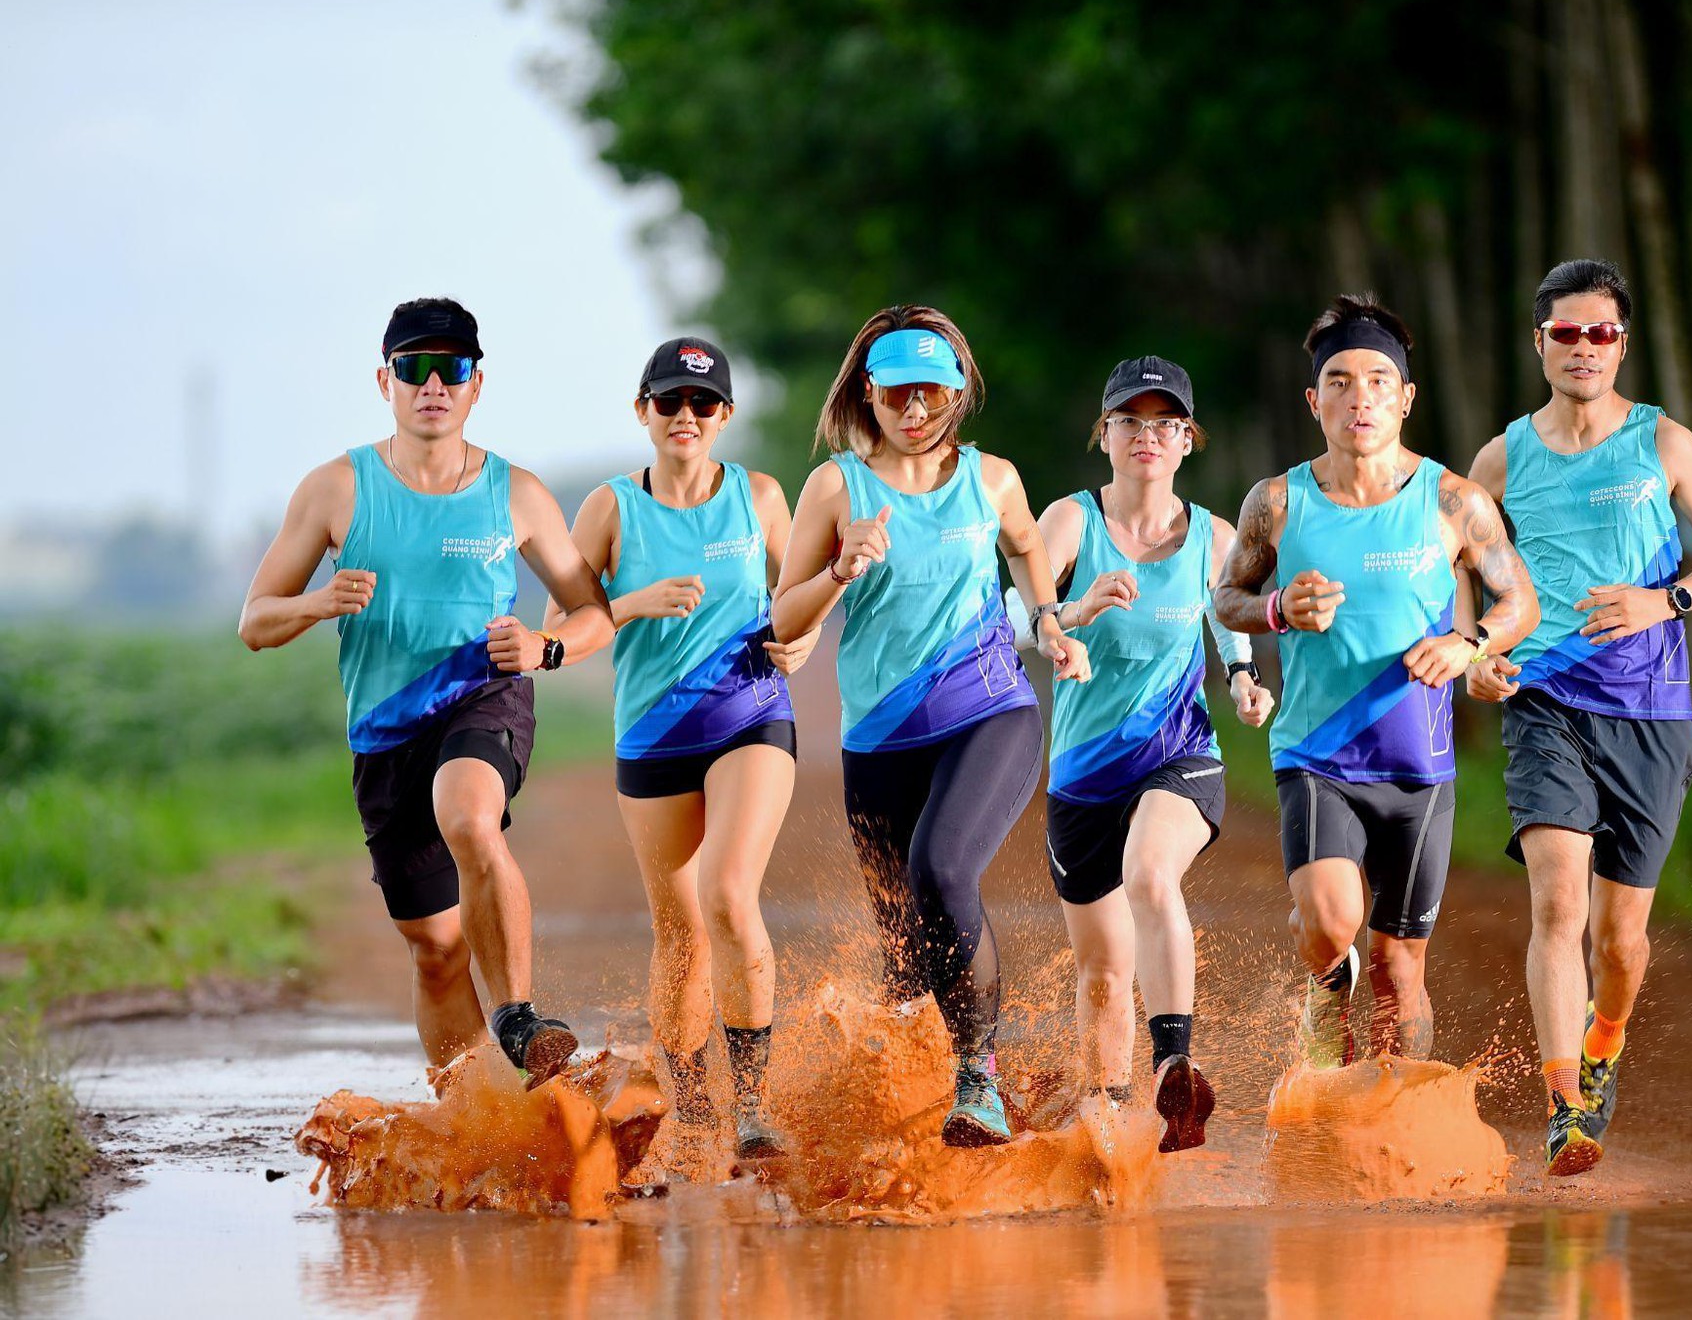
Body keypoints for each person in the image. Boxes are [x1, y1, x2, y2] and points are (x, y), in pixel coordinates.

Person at [239, 298, 613, 1082]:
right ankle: (477, 1120)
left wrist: (545, 647)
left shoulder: (518, 493)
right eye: (415, 367)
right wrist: (319, 601)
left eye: (454, 368)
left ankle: (517, 1017)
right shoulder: (336, 489)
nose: (434, 383)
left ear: (479, 384)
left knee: (470, 819)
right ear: (386, 381)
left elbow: (593, 614)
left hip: (482, 696)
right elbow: (255, 620)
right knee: (437, 950)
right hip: (383, 735)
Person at [770, 305, 1090, 1147]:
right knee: (906, 955)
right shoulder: (837, 487)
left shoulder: (992, 480)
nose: (915, 412)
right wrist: (841, 566)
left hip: (991, 710)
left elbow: (1026, 547)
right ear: (868, 395)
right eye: (898, 395)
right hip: (877, 742)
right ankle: (915, 1112)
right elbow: (785, 620)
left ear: (957, 395)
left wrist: (1047, 618)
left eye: (932, 395)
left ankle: (979, 1074)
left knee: (942, 867)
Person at [1464, 259, 1692, 1175]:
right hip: (1546, 703)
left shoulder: (1665, 443)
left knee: (1618, 940)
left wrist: (1665, 602)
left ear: (1622, 343)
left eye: (1600, 333)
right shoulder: (1501, 459)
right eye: (1565, 333)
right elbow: (1464, 581)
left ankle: (1604, 1039)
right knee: (1558, 904)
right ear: (1537, 341)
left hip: (1653, 714)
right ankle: (1564, 1107)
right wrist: (1479, 652)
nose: (1583, 348)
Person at [1214, 294, 1538, 1070]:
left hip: (1418, 768)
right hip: (1316, 753)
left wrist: (1469, 645)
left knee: (1399, 970)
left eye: (1378, 381)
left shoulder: (1454, 500)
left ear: (1406, 397)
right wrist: (1278, 609)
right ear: (1313, 399)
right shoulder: (1278, 501)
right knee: (1331, 922)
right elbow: (1225, 597)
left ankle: (1392, 1116)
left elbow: (1519, 600)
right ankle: (1326, 993)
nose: (1360, 397)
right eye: (1340, 380)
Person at [548, 338, 817, 1173]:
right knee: (680, 930)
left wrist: (800, 642)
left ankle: (754, 1107)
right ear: (643, 411)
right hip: (653, 736)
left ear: (725, 416)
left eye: (704, 405)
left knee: (727, 892)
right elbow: (565, 630)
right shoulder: (609, 510)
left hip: (750, 718)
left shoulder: (763, 498)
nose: (687, 418)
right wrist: (631, 603)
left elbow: (802, 597)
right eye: (670, 402)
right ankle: (693, 1102)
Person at [1027, 356, 1273, 1153]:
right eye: (1130, 421)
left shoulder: (1215, 536)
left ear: (1186, 440)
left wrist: (1240, 677)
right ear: (1104, 435)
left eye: (1165, 423)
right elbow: (1018, 614)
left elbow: (1229, 615)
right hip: (1081, 778)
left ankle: (1175, 1066)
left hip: (1179, 755)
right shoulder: (1068, 523)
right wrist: (1071, 616)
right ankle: (1111, 1123)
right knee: (1101, 975)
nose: (1147, 436)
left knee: (1150, 873)